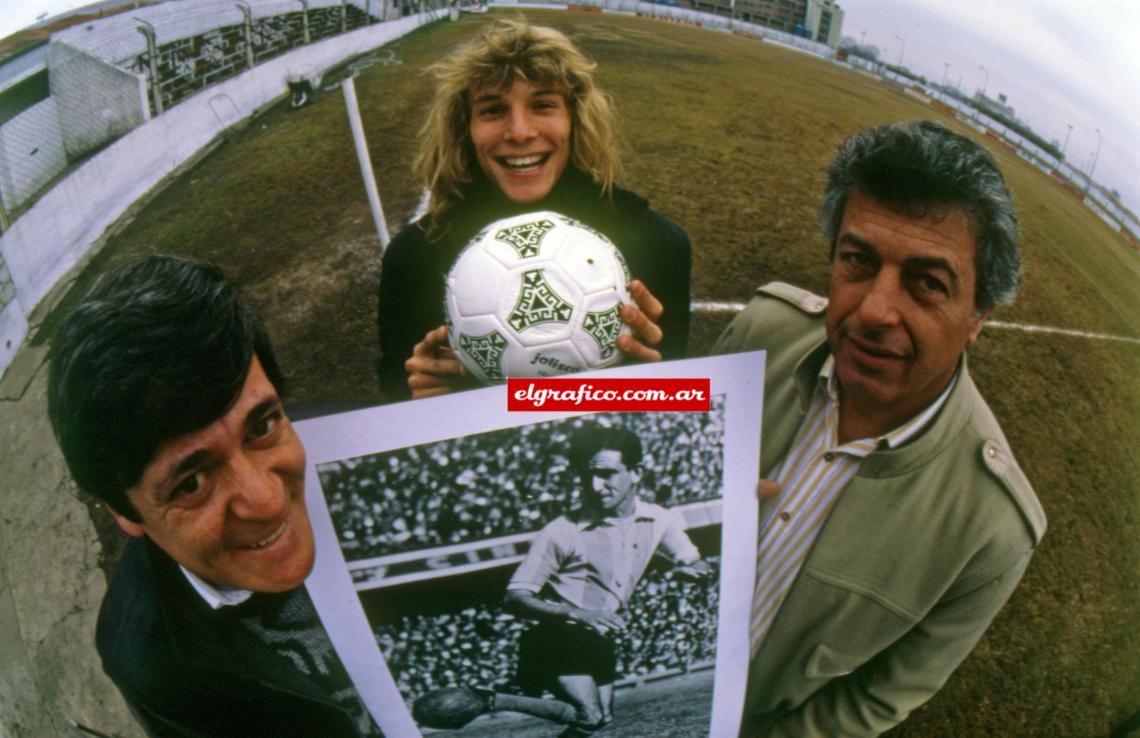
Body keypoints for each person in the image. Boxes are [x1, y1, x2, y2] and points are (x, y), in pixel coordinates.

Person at [713, 120, 1046, 736]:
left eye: (927, 283)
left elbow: (871, 702)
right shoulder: (761, 329)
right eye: (857, 261)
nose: (873, 310)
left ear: (978, 316)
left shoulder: (994, 531)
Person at [47, 255, 381, 737]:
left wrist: (495, 392)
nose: (266, 500)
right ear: (124, 513)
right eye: (192, 483)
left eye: (262, 427)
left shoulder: (367, 440)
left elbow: (526, 400)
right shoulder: (148, 660)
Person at [377, 17, 692, 402]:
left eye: (543, 105)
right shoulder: (413, 257)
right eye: (492, 110)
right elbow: (392, 397)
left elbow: (675, 401)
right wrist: (417, 399)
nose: (520, 132)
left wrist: (651, 381)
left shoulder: (658, 243)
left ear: (575, 120)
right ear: (465, 128)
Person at [412, 425, 711, 736]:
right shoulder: (561, 532)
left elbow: (693, 560)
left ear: (636, 472)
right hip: (557, 638)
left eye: (607, 474)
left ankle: (495, 698)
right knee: (590, 714)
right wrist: (577, 613)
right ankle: (496, 701)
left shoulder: (660, 519)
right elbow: (514, 597)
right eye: (586, 475)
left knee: (595, 722)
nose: (595, 486)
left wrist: (693, 571)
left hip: (597, 639)